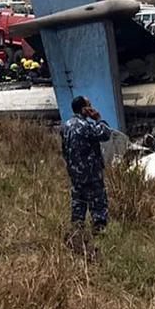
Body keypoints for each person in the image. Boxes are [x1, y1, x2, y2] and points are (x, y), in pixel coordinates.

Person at [60, 95, 111, 234]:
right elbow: (106, 134)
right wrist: (99, 119)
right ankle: (99, 229)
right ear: (84, 109)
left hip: (75, 173)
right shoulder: (85, 126)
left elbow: (64, 150)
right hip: (91, 172)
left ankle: (77, 231)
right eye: (89, 106)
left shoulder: (66, 126)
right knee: (98, 201)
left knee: (78, 202)